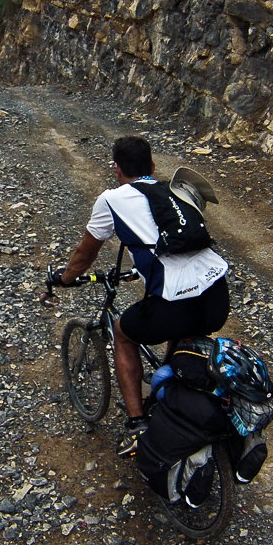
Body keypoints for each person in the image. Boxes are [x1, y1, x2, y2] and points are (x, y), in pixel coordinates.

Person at [51, 135, 230, 458]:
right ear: (153, 166)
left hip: (179, 301)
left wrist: (65, 279)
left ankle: (136, 425)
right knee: (182, 333)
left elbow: (84, 253)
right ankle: (175, 398)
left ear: (117, 169)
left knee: (123, 332)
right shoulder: (173, 193)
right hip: (217, 294)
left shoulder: (111, 199)